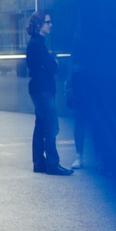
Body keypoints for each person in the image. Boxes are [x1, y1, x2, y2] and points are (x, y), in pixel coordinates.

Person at [26, 11, 73, 176]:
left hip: (38, 88)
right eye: (48, 22)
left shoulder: (36, 43)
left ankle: (39, 163)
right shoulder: (38, 44)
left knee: (41, 126)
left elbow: (45, 65)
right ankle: (53, 164)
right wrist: (54, 63)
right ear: (39, 24)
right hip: (43, 89)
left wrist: (51, 63)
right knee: (52, 126)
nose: (50, 24)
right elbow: (52, 66)